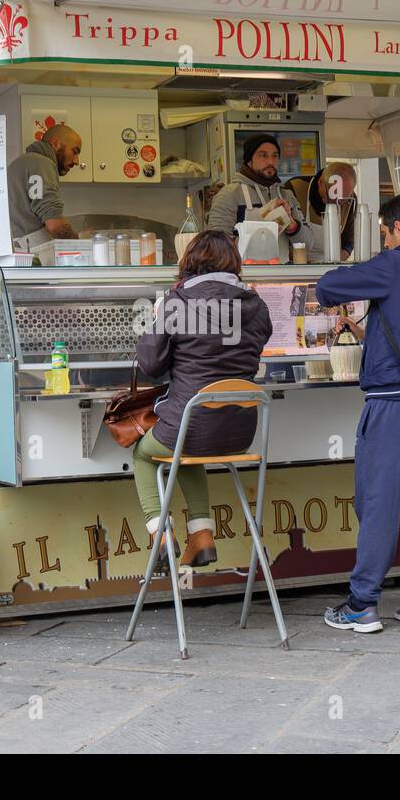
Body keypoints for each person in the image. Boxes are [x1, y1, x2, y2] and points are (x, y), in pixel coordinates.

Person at [315, 194, 400, 632]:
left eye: (384, 234)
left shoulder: (395, 264)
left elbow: (326, 287)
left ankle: (362, 603)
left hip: (393, 398)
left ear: (398, 230)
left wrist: (367, 262)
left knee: (377, 502)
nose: (384, 241)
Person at [132, 231, 273, 569]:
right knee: (183, 452)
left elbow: (150, 365)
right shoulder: (255, 304)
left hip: (189, 425)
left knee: (144, 454)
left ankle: (160, 531)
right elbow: (255, 344)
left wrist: (157, 319)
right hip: (241, 430)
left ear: (191, 262)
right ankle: (202, 534)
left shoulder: (177, 302)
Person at [206, 133, 317, 263]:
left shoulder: (287, 196)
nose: (270, 161)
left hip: (282, 278)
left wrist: (292, 225)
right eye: (263, 155)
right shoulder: (229, 195)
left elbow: (308, 245)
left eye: (275, 156)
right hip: (242, 277)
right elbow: (215, 245)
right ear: (248, 160)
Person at [6, 123, 81, 246]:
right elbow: (55, 226)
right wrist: (83, 245)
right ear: (55, 144)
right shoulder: (41, 163)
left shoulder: (23, 163)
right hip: (30, 252)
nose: (77, 161)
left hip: (17, 250)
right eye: (74, 152)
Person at [282, 161, 358, 261]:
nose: (334, 203)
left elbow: (349, 239)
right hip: (297, 267)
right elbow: (282, 237)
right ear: (320, 183)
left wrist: (340, 257)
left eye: (341, 200)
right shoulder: (294, 188)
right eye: (330, 196)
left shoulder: (350, 200)